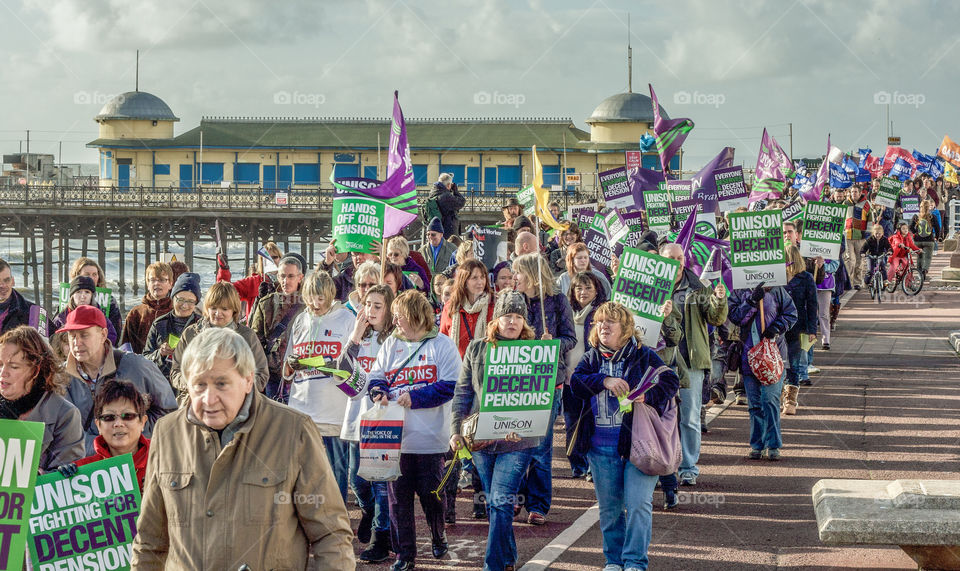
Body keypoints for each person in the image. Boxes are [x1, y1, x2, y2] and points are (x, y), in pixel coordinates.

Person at [131, 327, 356, 569]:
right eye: (199, 385)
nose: (209, 398)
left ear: (248, 380)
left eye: (221, 384)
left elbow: (331, 535)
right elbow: (150, 542)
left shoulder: (294, 431)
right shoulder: (166, 433)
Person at [570, 302, 680, 571]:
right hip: (600, 447)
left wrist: (647, 396)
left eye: (611, 322)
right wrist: (603, 381)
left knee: (639, 505)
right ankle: (614, 561)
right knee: (610, 510)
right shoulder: (592, 357)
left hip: (638, 446)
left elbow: (671, 381)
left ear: (626, 328)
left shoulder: (643, 355)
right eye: (600, 322)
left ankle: (634, 562)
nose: (604, 326)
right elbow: (576, 383)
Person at [368, 290, 462, 571]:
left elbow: (450, 386)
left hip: (431, 438)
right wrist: (378, 392)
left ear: (414, 316)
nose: (394, 321)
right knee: (398, 502)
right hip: (395, 438)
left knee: (431, 495)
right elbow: (377, 375)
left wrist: (416, 397)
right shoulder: (390, 345)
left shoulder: (442, 345)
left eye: (399, 315)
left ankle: (438, 533)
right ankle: (404, 554)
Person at [450, 290, 543, 571]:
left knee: (501, 501)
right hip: (481, 441)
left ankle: (493, 565)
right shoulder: (477, 349)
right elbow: (462, 392)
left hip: (517, 443)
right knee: (495, 505)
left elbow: (544, 395)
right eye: (507, 316)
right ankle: (508, 558)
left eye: (517, 317)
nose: (512, 322)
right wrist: (456, 430)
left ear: (524, 322)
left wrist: (525, 424)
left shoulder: (536, 350)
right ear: (496, 319)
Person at [511, 253, 576, 525]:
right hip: (516, 379)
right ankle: (516, 494)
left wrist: (553, 344)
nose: (515, 278)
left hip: (549, 381)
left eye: (518, 273)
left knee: (540, 443)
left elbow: (570, 339)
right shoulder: (513, 302)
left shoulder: (558, 301)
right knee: (513, 440)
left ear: (533, 275)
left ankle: (538, 503)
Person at [60, 305, 177, 454]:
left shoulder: (137, 365)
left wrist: (132, 436)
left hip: (135, 460)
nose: (77, 343)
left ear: (103, 335)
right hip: (87, 465)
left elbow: (170, 414)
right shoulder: (60, 377)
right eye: (72, 336)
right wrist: (99, 447)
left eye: (84, 335)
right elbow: (61, 430)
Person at [659, 243, 728, 487]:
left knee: (688, 417)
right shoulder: (650, 287)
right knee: (660, 418)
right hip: (660, 361)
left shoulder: (699, 287)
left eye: (680, 258)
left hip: (690, 361)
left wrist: (719, 300)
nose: (676, 262)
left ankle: (688, 467)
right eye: (671, 258)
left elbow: (715, 318)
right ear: (660, 259)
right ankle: (662, 467)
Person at [336, 285, 395, 564]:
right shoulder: (360, 336)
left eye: (377, 306)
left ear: (389, 309)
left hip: (383, 421)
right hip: (357, 417)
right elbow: (342, 370)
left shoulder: (394, 339)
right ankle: (370, 512)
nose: (370, 311)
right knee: (356, 480)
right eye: (367, 304)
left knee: (381, 483)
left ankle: (380, 537)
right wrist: (356, 337)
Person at [283, 271, 355, 502]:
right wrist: (292, 366)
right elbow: (286, 368)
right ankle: (308, 520)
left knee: (337, 471)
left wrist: (330, 364)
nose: (316, 303)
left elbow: (354, 362)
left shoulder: (346, 319)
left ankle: (339, 518)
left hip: (333, 411)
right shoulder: (301, 320)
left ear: (330, 295)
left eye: (321, 298)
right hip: (302, 407)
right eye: (312, 297)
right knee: (304, 471)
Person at [728, 282, 798, 460]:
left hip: (772, 355)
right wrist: (751, 301)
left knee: (770, 400)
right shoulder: (739, 291)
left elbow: (791, 313)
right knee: (755, 405)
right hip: (748, 355)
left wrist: (777, 327)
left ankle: (773, 444)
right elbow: (735, 317)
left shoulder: (777, 289)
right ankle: (757, 445)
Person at [0, 325, 84, 471]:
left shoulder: (65, 415)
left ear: (35, 371)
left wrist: (39, 477)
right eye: (0, 364)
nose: (3, 373)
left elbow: (68, 482)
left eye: (13, 367)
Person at [170, 281, 269, 402]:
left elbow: (261, 374)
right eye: (213, 308)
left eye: (224, 309)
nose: (218, 313)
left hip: (236, 404)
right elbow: (176, 372)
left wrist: (237, 389)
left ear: (234, 310)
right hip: (196, 402)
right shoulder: (190, 334)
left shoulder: (247, 336)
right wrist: (193, 383)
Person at [67, 380, 151, 490]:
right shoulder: (81, 474)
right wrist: (61, 480)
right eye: (109, 417)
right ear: (98, 426)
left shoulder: (163, 460)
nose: (118, 424)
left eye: (127, 416)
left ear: (142, 422)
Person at [564, 271, 607, 479]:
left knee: (591, 421)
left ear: (596, 290)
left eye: (588, 287)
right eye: (578, 288)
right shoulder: (564, 312)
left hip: (591, 378)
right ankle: (577, 463)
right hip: (567, 377)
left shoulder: (601, 313)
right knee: (571, 421)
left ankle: (591, 465)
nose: (583, 292)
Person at [251, 254, 305, 400]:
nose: (285, 281)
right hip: (272, 375)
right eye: (282, 276)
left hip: (300, 373)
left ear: (300, 277)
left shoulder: (308, 304)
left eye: (290, 276)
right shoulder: (266, 303)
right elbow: (256, 342)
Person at [143, 272, 202, 380]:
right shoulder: (159, 324)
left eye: (190, 301)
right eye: (180, 300)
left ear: (196, 303)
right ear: (173, 298)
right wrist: (160, 353)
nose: (185, 305)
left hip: (192, 383)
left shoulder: (202, 325)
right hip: (162, 383)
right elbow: (145, 359)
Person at [782, 246, 818, 415]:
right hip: (778, 327)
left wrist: (812, 329)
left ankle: (790, 400)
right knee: (780, 364)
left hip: (798, 326)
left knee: (794, 364)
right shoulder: (777, 277)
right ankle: (782, 396)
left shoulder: (806, 278)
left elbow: (812, 304)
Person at [440, 259, 496, 356]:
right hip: (457, 366)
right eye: (474, 278)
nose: (480, 282)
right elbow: (443, 340)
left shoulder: (494, 305)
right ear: (464, 281)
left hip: (485, 367)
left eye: (482, 277)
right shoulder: (450, 307)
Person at [216, 241, 282, 322]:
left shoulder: (287, 281)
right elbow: (225, 291)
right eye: (267, 258)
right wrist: (224, 269)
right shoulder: (253, 282)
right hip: (256, 330)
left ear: (280, 259)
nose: (271, 261)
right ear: (261, 261)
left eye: (274, 257)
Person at [119, 262, 174, 354]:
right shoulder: (136, 313)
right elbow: (126, 346)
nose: (157, 283)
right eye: (152, 280)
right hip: (140, 364)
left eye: (161, 280)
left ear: (170, 284)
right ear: (148, 284)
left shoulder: (175, 312)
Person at [50, 276, 119, 344]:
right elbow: (53, 340)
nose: (83, 296)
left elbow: (111, 337)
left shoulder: (100, 315)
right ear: (72, 295)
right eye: (78, 292)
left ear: (92, 295)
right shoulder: (61, 318)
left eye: (87, 292)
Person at [68, 257, 122, 337]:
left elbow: (116, 329)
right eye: (87, 274)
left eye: (94, 274)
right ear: (77, 276)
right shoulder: (68, 297)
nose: (91, 278)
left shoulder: (109, 300)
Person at [0, 258, 46, 335]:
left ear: (13, 281)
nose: (2, 285)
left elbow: (51, 343)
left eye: (6, 280)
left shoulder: (35, 312)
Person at [842, 186, 872, 289]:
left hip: (861, 237)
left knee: (859, 261)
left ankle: (857, 282)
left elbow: (870, 220)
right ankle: (849, 282)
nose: (853, 193)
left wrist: (867, 234)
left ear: (860, 193)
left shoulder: (866, 204)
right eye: (852, 192)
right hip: (848, 236)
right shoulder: (845, 203)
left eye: (855, 192)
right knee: (850, 260)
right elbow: (841, 218)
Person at [430, 173, 466, 238]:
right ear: (449, 185)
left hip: (436, 229)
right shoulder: (446, 197)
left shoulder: (433, 193)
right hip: (447, 232)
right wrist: (455, 191)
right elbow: (462, 202)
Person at [910, 200, 940, 277]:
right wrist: (936, 237)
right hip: (929, 240)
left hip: (918, 240)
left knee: (919, 256)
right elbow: (937, 228)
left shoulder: (916, 216)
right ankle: (925, 270)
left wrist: (915, 233)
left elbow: (910, 226)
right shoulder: (932, 216)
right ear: (929, 207)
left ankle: (919, 271)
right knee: (928, 257)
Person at [862, 223, 891, 288]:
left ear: (882, 233)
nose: (878, 235)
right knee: (870, 271)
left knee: (883, 267)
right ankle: (866, 282)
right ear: (873, 233)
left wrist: (889, 251)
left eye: (879, 234)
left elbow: (888, 246)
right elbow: (864, 247)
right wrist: (863, 253)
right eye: (876, 233)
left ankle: (885, 280)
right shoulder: (870, 239)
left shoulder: (884, 239)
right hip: (871, 256)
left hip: (880, 255)